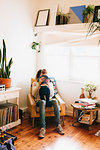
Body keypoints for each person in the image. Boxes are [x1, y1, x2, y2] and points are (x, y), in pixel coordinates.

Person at [32, 69, 64, 139]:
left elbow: (52, 95)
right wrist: (39, 84)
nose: (43, 76)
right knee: (43, 102)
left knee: (55, 101)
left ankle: (58, 125)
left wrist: (48, 84)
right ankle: (43, 128)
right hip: (40, 101)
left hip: (48, 100)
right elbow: (33, 94)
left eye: (45, 75)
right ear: (39, 76)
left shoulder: (49, 83)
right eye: (42, 75)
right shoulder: (35, 83)